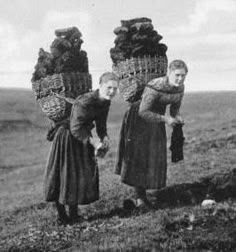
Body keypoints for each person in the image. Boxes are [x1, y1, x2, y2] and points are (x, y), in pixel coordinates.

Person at [44, 72, 119, 225]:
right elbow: (75, 128)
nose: (112, 91)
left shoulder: (105, 102)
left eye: (115, 89)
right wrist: (94, 143)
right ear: (100, 85)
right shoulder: (85, 101)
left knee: (77, 176)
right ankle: (61, 216)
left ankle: (73, 215)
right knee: (63, 175)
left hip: (81, 137)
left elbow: (101, 124)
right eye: (108, 87)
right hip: (66, 136)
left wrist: (104, 137)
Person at [115, 59, 188, 208]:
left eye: (183, 76)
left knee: (154, 155)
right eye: (177, 75)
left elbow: (174, 109)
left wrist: (177, 117)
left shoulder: (180, 89)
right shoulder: (155, 86)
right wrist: (165, 119)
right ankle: (139, 197)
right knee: (140, 156)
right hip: (138, 119)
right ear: (169, 73)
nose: (180, 79)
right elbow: (143, 111)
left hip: (156, 121)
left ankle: (145, 195)